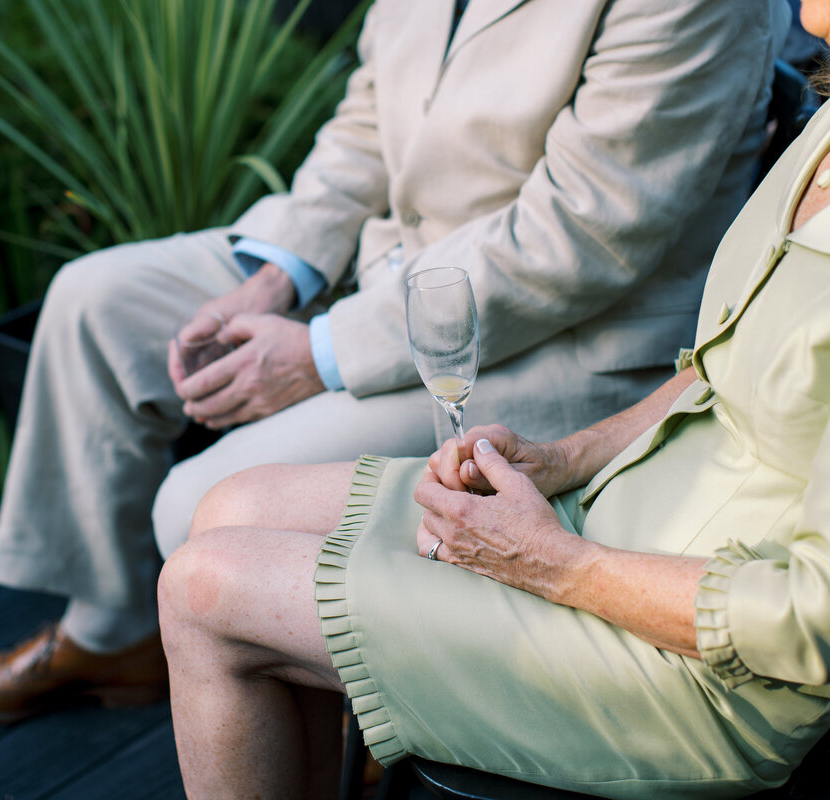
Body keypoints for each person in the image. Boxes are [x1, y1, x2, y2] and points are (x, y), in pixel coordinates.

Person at [0, 0, 787, 723]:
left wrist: (319, 352)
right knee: (92, 301)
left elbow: (584, 233)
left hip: (567, 341)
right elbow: (368, 119)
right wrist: (278, 277)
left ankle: (369, 705)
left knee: (198, 506)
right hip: (389, 274)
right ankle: (112, 633)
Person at [156, 5, 830, 794]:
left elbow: (810, 620)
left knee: (204, 589)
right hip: (621, 515)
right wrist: (564, 459)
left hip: (694, 667)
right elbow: (722, 364)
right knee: (232, 505)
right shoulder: (820, 136)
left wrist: (557, 565)